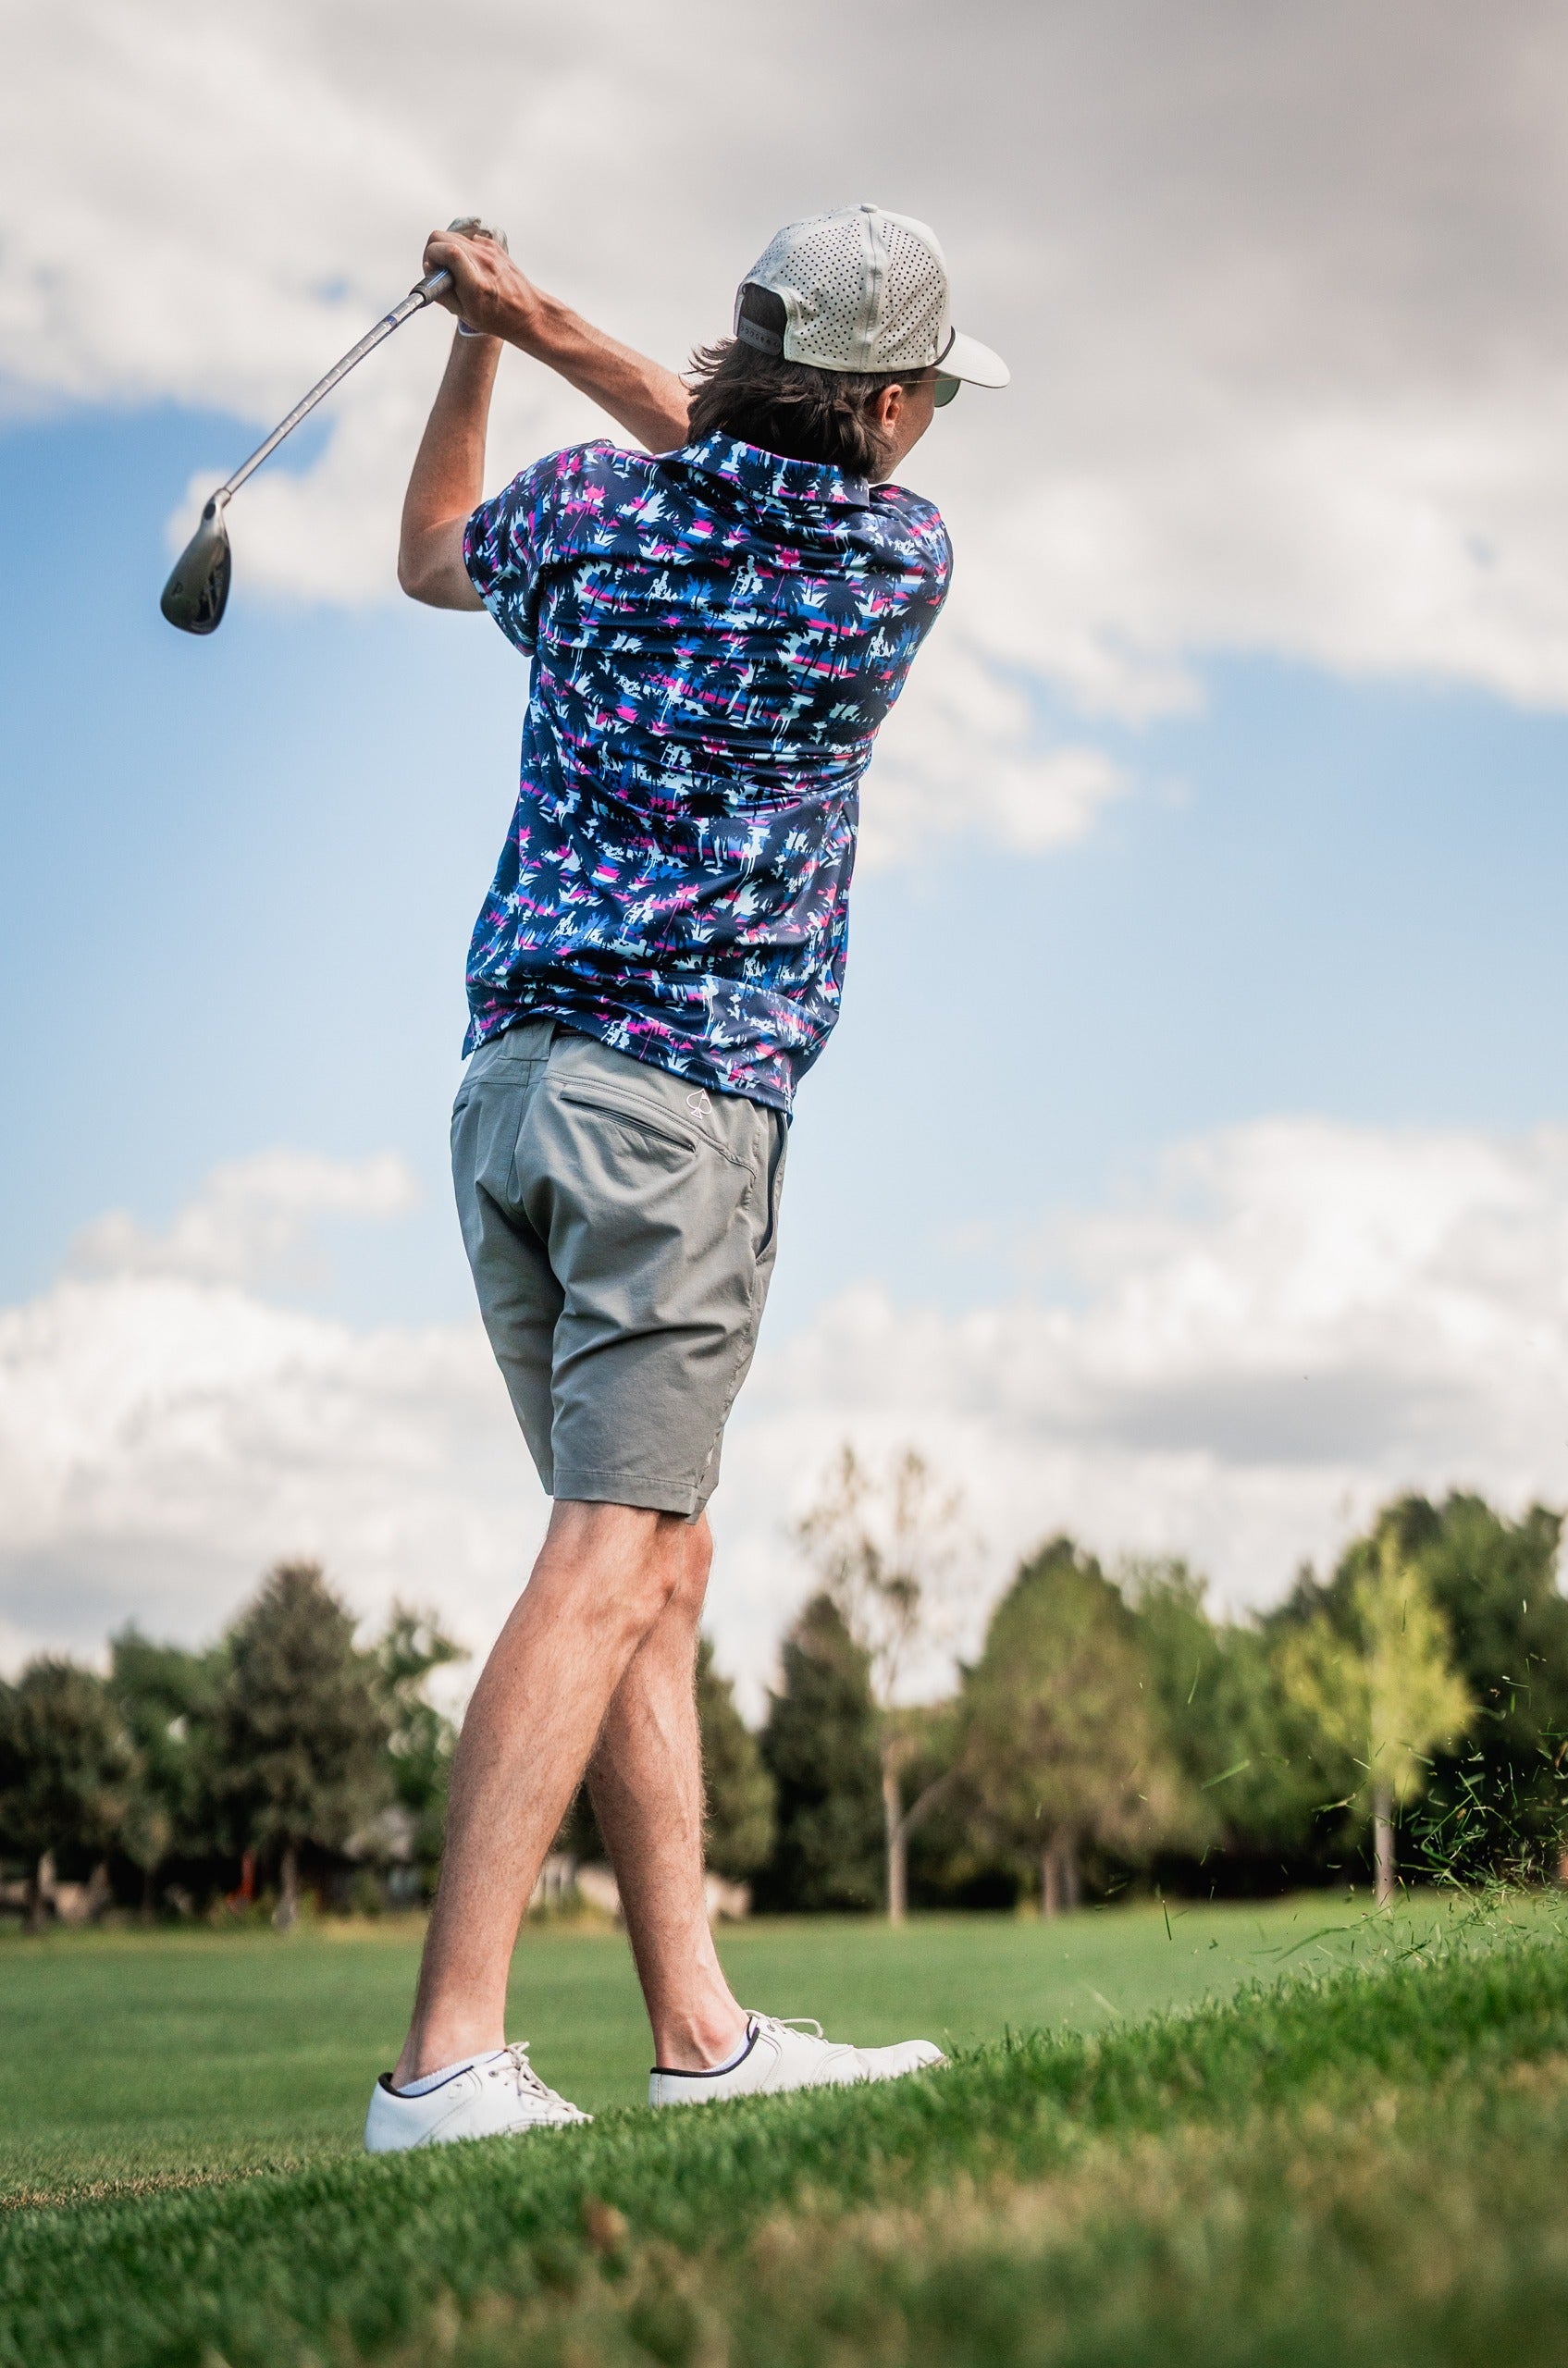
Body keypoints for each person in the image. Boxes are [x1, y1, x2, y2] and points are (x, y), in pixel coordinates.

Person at [364, 205, 1008, 2152]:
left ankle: (698, 2026)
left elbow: (423, 559)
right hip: (679, 1114)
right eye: (928, 399)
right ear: (889, 408)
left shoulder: (588, 512)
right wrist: (538, 313)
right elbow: (742, 450)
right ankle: (442, 2056)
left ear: (743, 360)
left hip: (511, 1101)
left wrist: (483, 335)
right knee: (609, 1554)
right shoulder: (893, 557)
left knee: (659, 1548)